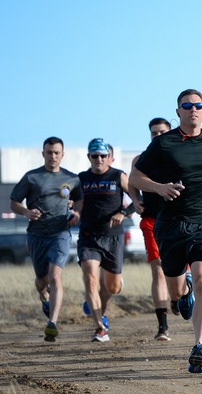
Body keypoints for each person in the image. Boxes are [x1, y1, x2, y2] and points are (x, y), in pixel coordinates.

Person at [130, 88, 202, 373]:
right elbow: (135, 176)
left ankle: (198, 346)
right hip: (171, 226)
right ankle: (183, 290)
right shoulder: (164, 144)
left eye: (197, 105)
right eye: (186, 106)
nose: (192, 110)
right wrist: (160, 188)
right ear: (178, 111)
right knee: (177, 293)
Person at [10, 137, 83, 342]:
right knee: (42, 281)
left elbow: (79, 200)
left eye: (56, 152)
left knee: (55, 276)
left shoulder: (72, 178)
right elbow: (14, 202)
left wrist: (76, 213)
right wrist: (26, 212)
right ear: (43, 154)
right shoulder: (32, 177)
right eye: (49, 152)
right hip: (36, 235)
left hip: (60, 234)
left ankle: (53, 322)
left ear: (62, 154)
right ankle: (44, 295)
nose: (53, 156)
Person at [76, 139, 129, 342]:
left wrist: (123, 213)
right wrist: (73, 212)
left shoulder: (118, 175)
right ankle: (99, 327)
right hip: (89, 236)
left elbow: (136, 199)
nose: (99, 159)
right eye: (94, 156)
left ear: (109, 157)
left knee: (112, 287)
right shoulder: (81, 178)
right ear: (89, 157)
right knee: (90, 278)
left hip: (113, 238)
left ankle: (102, 310)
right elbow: (74, 203)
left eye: (102, 155)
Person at [127, 118, 173, 341]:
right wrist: (135, 201)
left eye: (162, 132)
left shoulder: (177, 156)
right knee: (158, 269)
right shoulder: (141, 159)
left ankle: (178, 297)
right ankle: (162, 326)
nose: (158, 136)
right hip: (152, 220)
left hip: (177, 220)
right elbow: (131, 182)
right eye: (154, 133)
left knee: (178, 270)